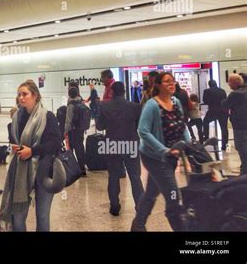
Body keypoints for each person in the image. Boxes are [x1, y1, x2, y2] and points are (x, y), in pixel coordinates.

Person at [131, 72, 191, 232]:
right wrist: (163, 150)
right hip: (155, 158)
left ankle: (138, 225)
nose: (171, 84)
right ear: (158, 85)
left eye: (172, 81)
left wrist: (188, 143)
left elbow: (182, 125)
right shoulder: (152, 105)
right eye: (167, 81)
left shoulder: (176, 101)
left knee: (151, 193)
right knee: (173, 194)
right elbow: (143, 131)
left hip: (171, 157)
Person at [0, 80, 61, 231]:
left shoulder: (47, 117)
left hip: (43, 171)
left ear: (35, 96)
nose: (21, 97)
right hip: (20, 172)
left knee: (42, 215)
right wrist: (14, 148)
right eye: (19, 94)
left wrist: (32, 151)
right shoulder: (16, 118)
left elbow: (55, 144)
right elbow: (13, 141)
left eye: (25, 94)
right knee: (18, 215)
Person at [96, 82, 143, 216]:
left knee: (113, 176)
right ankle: (140, 206)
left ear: (112, 92)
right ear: (124, 91)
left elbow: (99, 126)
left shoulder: (104, 106)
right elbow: (139, 125)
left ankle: (114, 206)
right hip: (131, 144)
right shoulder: (135, 107)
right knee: (135, 177)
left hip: (112, 145)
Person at [222, 74, 247, 175]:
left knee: (242, 148)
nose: (228, 83)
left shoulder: (235, 94)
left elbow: (224, 105)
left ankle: (244, 171)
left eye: (229, 81)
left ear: (235, 82)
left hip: (240, 126)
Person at [64, 87, 86, 176]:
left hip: (72, 130)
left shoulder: (71, 104)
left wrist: (65, 131)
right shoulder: (81, 102)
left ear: (69, 94)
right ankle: (82, 168)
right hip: (80, 129)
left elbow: (68, 120)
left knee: (71, 149)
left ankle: (73, 169)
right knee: (80, 148)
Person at [202, 80, 228, 150]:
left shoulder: (207, 91)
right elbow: (225, 100)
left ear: (209, 84)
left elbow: (205, 101)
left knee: (205, 122)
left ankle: (206, 137)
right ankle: (224, 145)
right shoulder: (222, 90)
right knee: (224, 128)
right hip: (223, 111)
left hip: (212, 111)